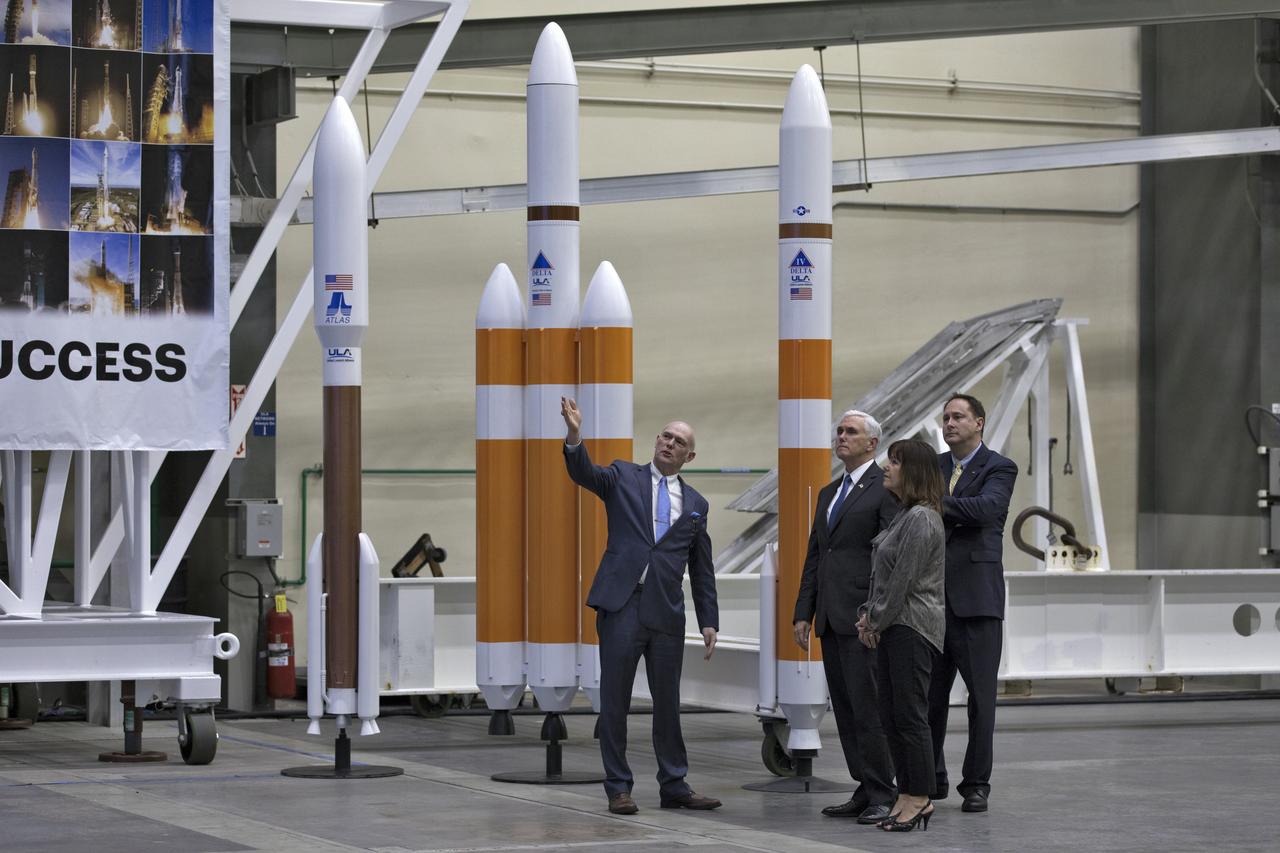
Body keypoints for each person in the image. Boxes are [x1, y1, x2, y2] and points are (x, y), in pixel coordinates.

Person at [560, 397, 720, 816]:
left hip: (666, 611)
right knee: (615, 700)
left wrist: (709, 621)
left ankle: (675, 785)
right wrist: (575, 436)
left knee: (668, 703)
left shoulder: (697, 505)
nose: (669, 443)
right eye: (665, 436)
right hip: (622, 605)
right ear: (656, 441)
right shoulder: (621, 476)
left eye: (679, 441)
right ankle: (618, 787)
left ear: (690, 455)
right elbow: (583, 473)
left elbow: (702, 568)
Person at [792, 410, 898, 824]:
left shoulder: (884, 487)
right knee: (848, 708)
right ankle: (864, 784)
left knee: (870, 707)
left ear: (872, 443)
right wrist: (804, 610)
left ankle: (883, 791)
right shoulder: (829, 492)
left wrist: (875, 611)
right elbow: (816, 554)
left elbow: (886, 555)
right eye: (839, 430)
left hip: (863, 619)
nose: (841, 436)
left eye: (850, 432)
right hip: (831, 618)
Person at [926, 393, 1018, 814]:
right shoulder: (934, 468)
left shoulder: (999, 467)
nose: (949, 423)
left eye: (958, 417)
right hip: (930, 602)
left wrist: (933, 504)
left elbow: (987, 509)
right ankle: (931, 777)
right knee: (929, 698)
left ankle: (976, 784)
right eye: (945, 417)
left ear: (979, 423)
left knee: (981, 700)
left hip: (977, 602)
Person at [857, 439, 946, 833]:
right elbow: (884, 576)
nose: (887, 468)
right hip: (894, 624)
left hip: (912, 626)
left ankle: (920, 796)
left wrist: (874, 620)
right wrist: (870, 616)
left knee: (910, 717)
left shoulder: (923, 519)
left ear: (913, 472)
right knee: (892, 716)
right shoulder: (904, 515)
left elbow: (903, 582)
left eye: (894, 462)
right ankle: (906, 792)